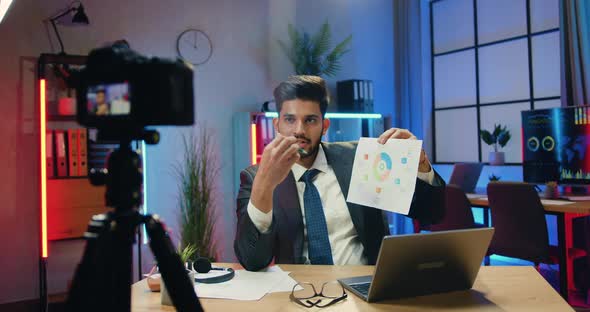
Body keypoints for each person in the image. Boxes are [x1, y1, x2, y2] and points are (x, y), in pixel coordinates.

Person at [234, 75, 446, 271]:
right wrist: (265, 184)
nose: (299, 130)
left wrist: (420, 165)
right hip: (299, 293)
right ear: (277, 124)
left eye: (310, 120)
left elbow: (431, 214)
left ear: (324, 126)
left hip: (365, 286)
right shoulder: (256, 178)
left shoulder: (360, 159)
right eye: (290, 119)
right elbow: (252, 260)